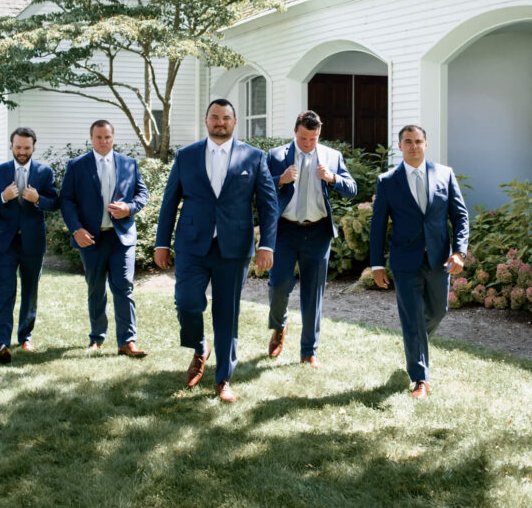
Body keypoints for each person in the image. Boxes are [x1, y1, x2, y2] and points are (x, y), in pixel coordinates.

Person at [154, 99, 279, 402]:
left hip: (233, 248)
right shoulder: (186, 156)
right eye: (214, 117)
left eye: (225, 118)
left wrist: (266, 245)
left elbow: (268, 204)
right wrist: (161, 243)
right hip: (192, 245)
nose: (220, 122)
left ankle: (223, 378)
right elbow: (170, 201)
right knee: (186, 303)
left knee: (227, 313)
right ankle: (200, 348)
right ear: (206, 120)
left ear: (235, 122)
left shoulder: (254, 157)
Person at [369, 124, 469, 399]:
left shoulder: (445, 174)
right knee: (412, 316)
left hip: (439, 259)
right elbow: (378, 226)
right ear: (400, 146)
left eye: (418, 141)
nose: (414, 146)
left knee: (438, 312)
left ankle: (415, 342)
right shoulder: (387, 181)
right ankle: (420, 379)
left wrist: (459, 252)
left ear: (425, 144)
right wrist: (377, 264)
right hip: (405, 260)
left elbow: (460, 216)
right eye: (408, 141)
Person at [266, 110, 357, 366]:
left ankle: (308, 351)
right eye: (303, 138)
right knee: (278, 284)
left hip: (318, 232)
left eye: (313, 138)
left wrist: (333, 178)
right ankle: (279, 325)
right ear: (295, 132)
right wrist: (280, 180)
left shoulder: (332, 156)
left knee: (313, 293)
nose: (308, 143)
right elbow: (258, 188)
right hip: (285, 231)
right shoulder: (276, 156)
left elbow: (352, 189)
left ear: (319, 133)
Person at [60, 119, 149, 357]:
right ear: (91, 138)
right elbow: (66, 200)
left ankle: (127, 342)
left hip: (121, 237)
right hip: (90, 238)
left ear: (113, 137)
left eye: (107, 137)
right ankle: (97, 338)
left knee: (124, 286)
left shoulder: (128, 163)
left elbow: (142, 193)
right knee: (96, 288)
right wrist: (76, 229)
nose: (103, 141)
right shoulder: (77, 165)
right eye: (98, 137)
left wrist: (129, 208)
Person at [0, 127, 59, 364]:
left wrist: (38, 200)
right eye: (18, 147)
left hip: (33, 242)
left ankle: (25, 337)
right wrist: (3, 196)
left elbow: (55, 203)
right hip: (6, 243)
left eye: (26, 147)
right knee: (5, 291)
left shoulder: (45, 172)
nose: (22, 152)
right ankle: (0, 343)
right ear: (11, 146)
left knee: (30, 292)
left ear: (33, 147)